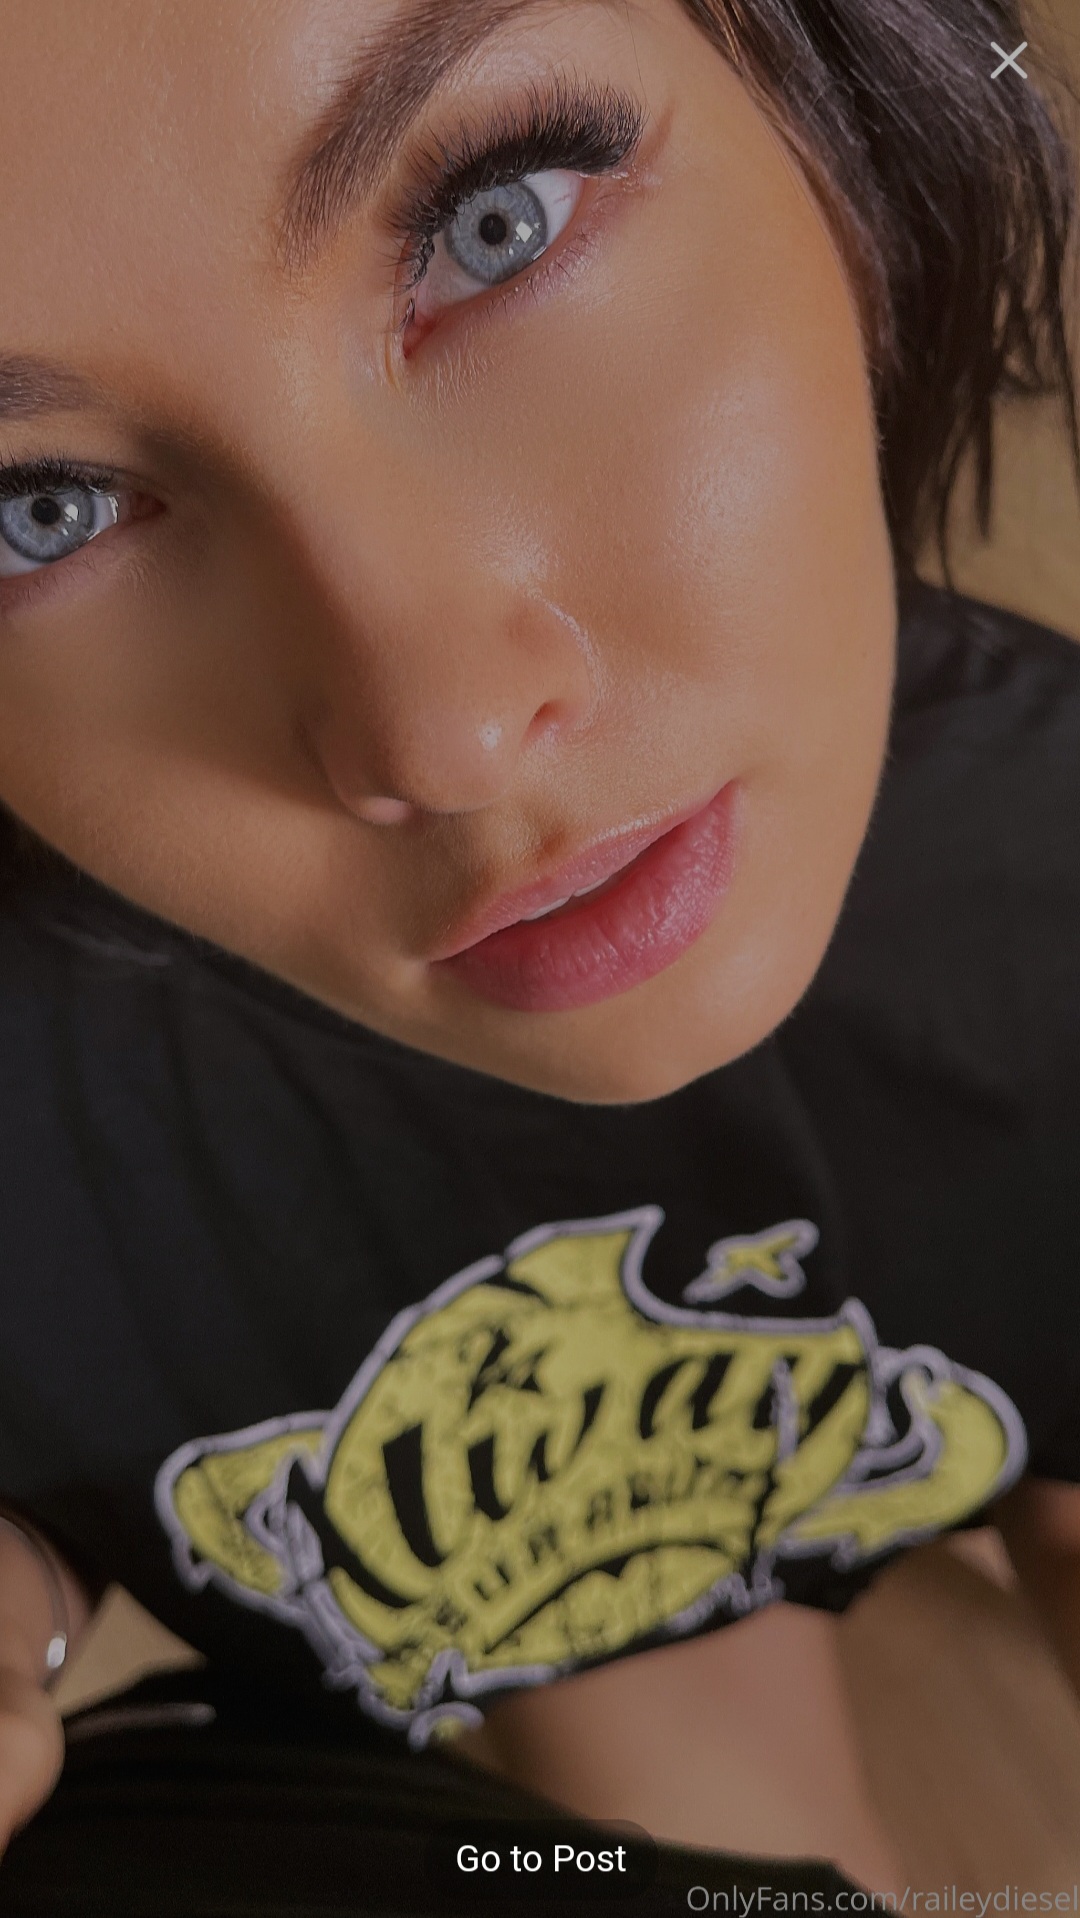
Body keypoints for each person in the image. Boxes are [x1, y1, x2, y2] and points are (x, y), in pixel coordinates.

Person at [0, 0, 1077, 1900]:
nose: (441, 735)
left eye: (497, 221)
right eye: (37, 511)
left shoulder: (1046, 863)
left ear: (813, 74)